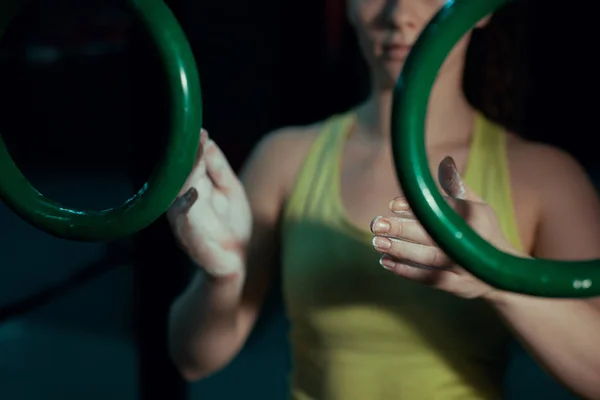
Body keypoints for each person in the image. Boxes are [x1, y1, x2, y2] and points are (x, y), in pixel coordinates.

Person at [167, 0, 600, 399]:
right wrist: (220, 277)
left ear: (480, 8)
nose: (398, 13)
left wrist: (498, 276)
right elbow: (192, 359)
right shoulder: (285, 157)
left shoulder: (546, 177)